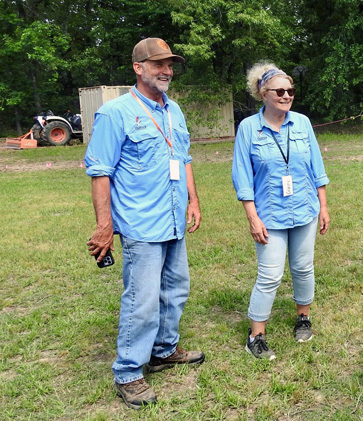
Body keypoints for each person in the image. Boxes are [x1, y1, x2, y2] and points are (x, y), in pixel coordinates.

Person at [84, 38, 204, 410]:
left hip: (171, 219)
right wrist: (105, 225)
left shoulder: (174, 111)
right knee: (142, 300)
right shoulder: (115, 113)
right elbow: (100, 172)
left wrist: (193, 198)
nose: (167, 71)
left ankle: (163, 350)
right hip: (140, 224)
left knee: (176, 289)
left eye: (170, 65)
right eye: (158, 65)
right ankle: (128, 372)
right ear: (138, 68)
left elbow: (181, 157)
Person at [232, 62, 330, 360]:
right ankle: (256, 335)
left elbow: (316, 167)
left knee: (303, 267)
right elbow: (242, 176)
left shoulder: (301, 123)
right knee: (270, 276)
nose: (287, 95)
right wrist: (252, 217)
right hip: (269, 215)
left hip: (305, 210)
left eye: (290, 90)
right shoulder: (249, 128)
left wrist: (323, 205)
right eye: (280, 91)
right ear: (263, 93)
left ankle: (303, 318)